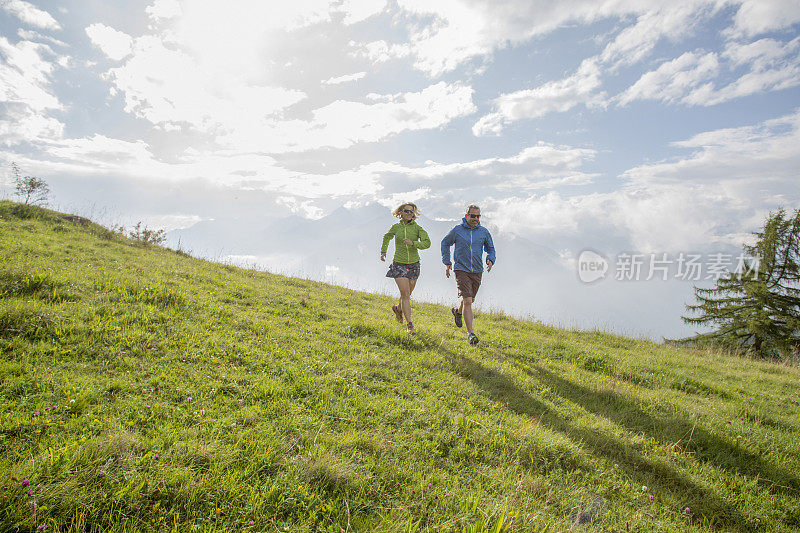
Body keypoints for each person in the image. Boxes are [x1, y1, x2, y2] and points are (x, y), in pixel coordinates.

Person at [441, 204, 496, 345]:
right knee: (467, 301)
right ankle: (471, 334)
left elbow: (490, 248)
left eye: (478, 216)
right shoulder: (457, 230)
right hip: (461, 269)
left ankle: (458, 313)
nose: (476, 219)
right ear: (466, 216)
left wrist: (490, 259)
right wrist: (447, 262)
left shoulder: (484, 232)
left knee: (469, 300)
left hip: (477, 270)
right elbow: (445, 243)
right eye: (473, 216)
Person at [381, 202, 431, 333]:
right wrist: (383, 251)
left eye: (411, 212)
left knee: (407, 293)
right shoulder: (396, 227)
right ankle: (409, 325)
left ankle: (398, 308)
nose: (409, 213)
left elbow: (427, 243)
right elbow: (387, 237)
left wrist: (413, 243)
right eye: (407, 211)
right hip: (399, 264)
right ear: (400, 212)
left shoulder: (417, 229)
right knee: (405, 294)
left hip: (414, 264)